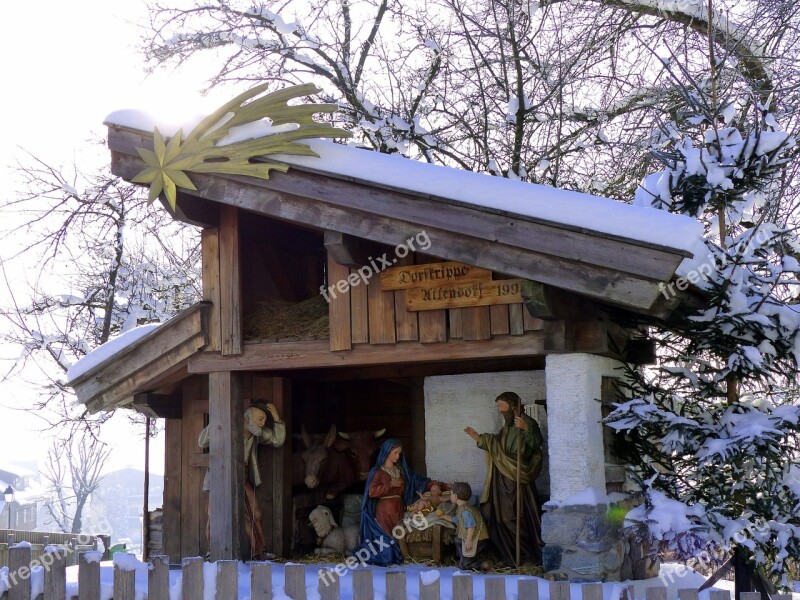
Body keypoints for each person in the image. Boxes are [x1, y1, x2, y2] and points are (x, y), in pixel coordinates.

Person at [198, 400, 286, 560]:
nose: (263, 423)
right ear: (247, 419)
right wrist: (218, 420)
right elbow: (201, 441)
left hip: (242, 477)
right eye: (260, 419)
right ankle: (212, 551)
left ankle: (260, 550)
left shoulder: (256, 434)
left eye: (265, 420)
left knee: (255, 513)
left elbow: (277, 440)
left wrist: (276, 418)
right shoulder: (228, 427)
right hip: (220, 477)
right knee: (214, 514)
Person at [464, 391, 543, 566]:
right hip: (502, 479)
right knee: (500, 518)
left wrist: (527, 429)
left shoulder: (526, 422)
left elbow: (536, 444)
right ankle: (510, 556)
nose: (499, 410)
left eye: (501, 405)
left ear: (512, 404)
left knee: (516, 517)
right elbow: (496, 444)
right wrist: (479, 438)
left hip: (517, 478)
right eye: (498, 406)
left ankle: (526, 556)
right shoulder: (506, 428)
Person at [358, 438, 438, 566]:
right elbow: (372, 492)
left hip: (399, 510)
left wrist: (435, 485)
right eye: (395, 453)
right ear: (387, 452)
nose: (398, 456)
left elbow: (417, 481)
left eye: (399, 453)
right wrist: (390, 485)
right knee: (387, 542)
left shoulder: (401, 471)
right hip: (384, 512)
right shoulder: (378, 472)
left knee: (398, 538)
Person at [442, 481, 489, 570]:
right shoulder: (462, 508)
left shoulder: (466, 511)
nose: (450, 496)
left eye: (451, 494)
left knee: (464, 565)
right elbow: (455, 520)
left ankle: (483, 565)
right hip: (468, 537)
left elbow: (471, 526)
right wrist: (442, 516)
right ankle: (461, 558)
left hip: (477, 539)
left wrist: (468, 540)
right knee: (457, 540)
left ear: (455, 497)